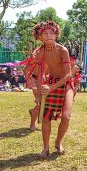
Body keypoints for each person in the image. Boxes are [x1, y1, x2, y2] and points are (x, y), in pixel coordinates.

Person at [32, 21, 73, 158]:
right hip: (50, 83)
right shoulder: (40, 53)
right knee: (46, 117)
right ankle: (46, 147)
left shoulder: (63, 50)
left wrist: (51, 87)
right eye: (45, 33)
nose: (48, 35)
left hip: (66, 83)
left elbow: (68, 75)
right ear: (40, 37)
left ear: (56, 35)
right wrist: (38, 95)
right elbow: (39, 75)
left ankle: (58, 142)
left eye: (51, 33)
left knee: (66, 117)